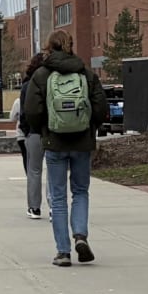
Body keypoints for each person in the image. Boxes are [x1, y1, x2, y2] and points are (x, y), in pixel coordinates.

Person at [23, 30, 108, 265]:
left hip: (55, 143)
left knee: (58, 197)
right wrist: (89, 127)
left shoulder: (41, 75)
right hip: (82, 142)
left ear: (49, 47)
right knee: (80, 191)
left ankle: (63, 251)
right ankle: (80, 235)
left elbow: (31, 111)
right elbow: (101, 109)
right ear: (70, 45)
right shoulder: (86, 73)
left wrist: (45, 129)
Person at [18, 53, 47, 219]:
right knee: (53, 170)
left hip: (34, 132)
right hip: (51, 131)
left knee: (34, 170)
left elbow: (23, 112)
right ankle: (54, 207)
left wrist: (26, 129)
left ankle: (34, 208)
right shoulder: (53, 80)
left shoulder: (27, 85)